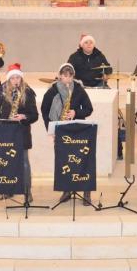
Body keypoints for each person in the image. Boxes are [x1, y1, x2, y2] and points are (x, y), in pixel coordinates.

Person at [41, 63, 94, 205]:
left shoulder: (78, 89)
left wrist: (76, 112)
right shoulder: (52, 90)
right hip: (60, 130)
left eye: (70, 76)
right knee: (63, 161)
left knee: (82, 160)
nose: (68, 79)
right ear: (59, 75)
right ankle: (66, 190)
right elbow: (44, 110)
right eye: (65, 76)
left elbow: (89, 109)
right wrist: (50, 129)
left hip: (78, 130)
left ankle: (86, 192)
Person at [0, 63, 38, 202]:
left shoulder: (27, 92)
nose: (16, 81)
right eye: (13, 78)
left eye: (18, 78)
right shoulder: (1, 91)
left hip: (21, 132)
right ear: (9, 79)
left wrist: (24, 117)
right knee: (6, 162)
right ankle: (7, 189)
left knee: (24, 162)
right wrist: (0, 122)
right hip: (5, 132)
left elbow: (34, 115)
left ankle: (27, 191)